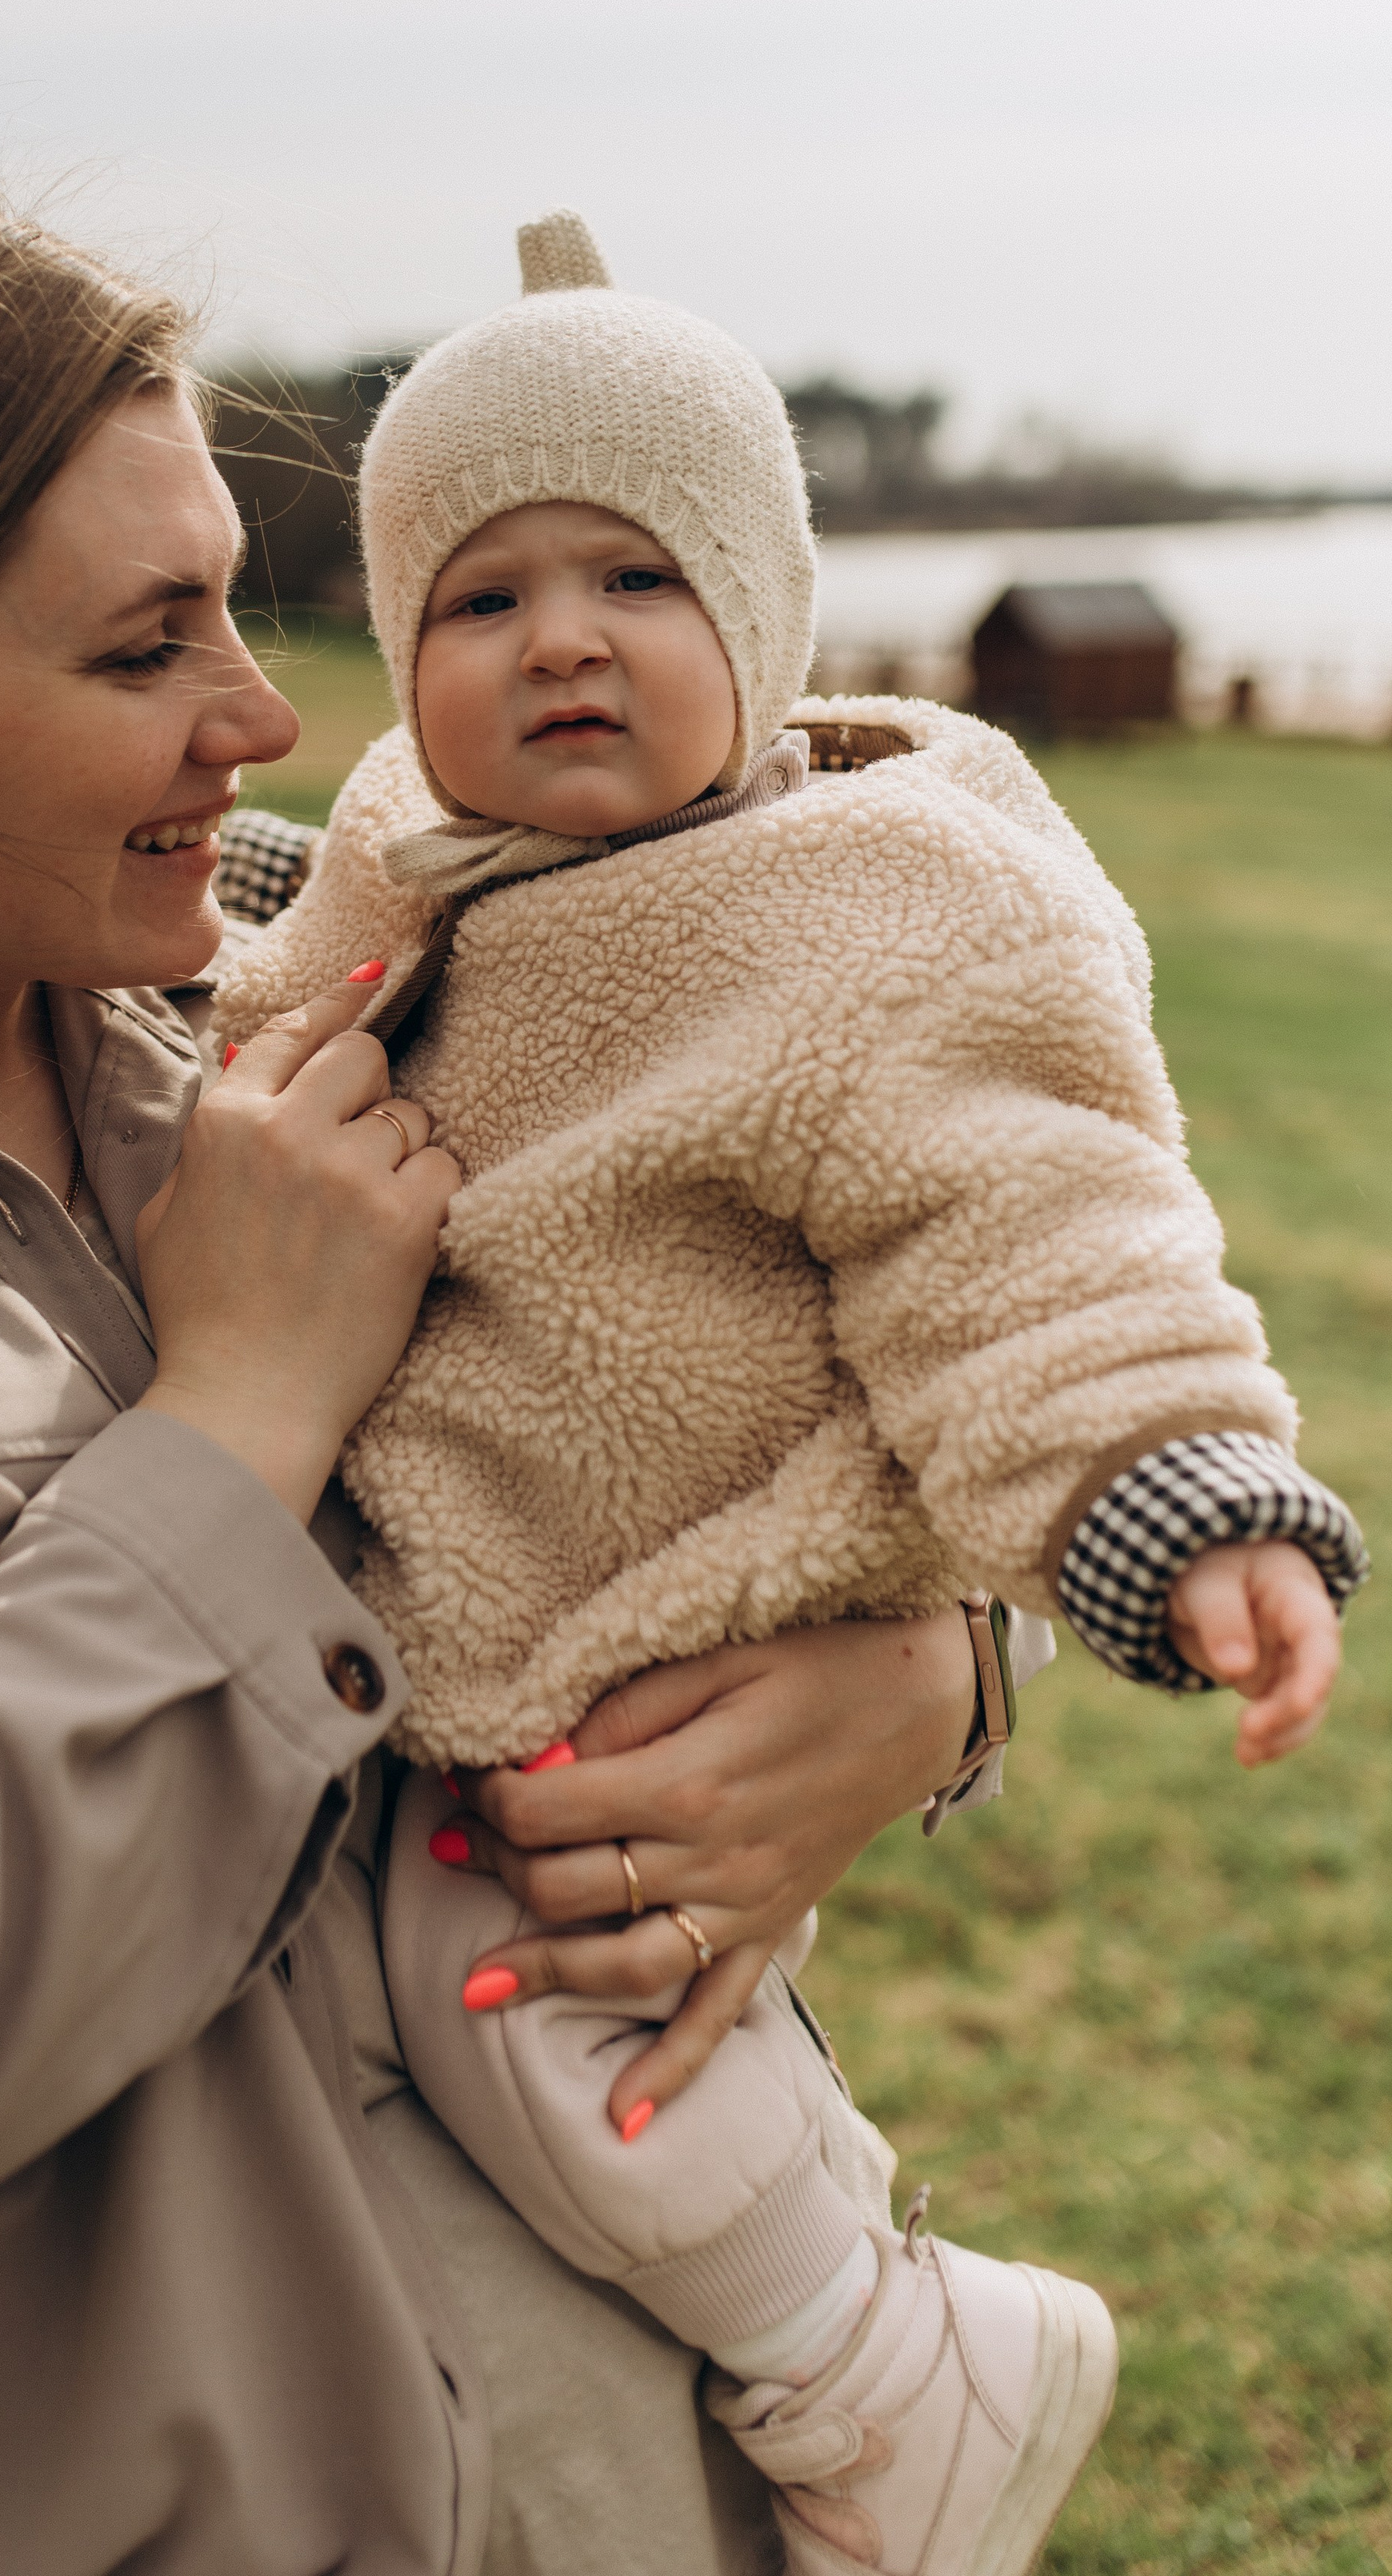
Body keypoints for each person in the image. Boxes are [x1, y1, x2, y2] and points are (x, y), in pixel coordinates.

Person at [0, 163, 1022, 2576]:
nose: (271, 717)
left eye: (241, 606)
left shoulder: (343, 993)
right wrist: (232, 1425)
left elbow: (792, 1311)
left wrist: (934, 1678)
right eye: (147, 652)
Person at [214, 212, 1367, 2574]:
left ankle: (888, 2355)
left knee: (541, 2006)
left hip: (665, 1623)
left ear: (760, 619)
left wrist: (1175, 1488)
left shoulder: (872, 917)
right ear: (396, 647)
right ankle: (867, 2335)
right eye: (478, 596)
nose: (557, 639)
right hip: (484, 1599)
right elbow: (272, 980)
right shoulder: (401, 866)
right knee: (500, 2001)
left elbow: (1035, 1227)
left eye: (634, 580)